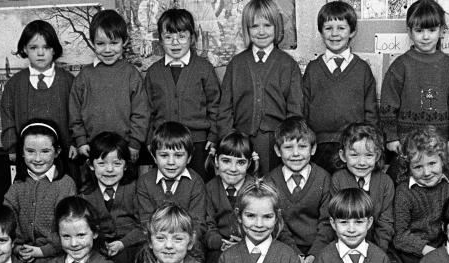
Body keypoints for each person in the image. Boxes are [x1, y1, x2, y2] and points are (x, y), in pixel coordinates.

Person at [380, 0, 449, 184]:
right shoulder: (400, 65)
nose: (426, 37)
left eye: (432, 30)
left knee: (439, 185)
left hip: (441, 145)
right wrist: (391, 136)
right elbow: (388, 103)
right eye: (419, 31)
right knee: (403, 185)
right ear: (410, 32)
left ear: (442, 30)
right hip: (404, 145)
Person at [217, 0, 303, 174]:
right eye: (254, 26)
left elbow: (295, 110)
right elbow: (225, 107)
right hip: (241, 141)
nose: (261, 31)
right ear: (247, 29)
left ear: (276, 27)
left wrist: (287, 142)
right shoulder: (236, 64)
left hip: (277, 142)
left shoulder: (288, 64)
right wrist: (230, 140)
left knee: (271, 189)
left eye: (267, 25)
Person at [144, 8, 221, 179]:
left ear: (192, 38)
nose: (175, 43)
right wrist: (150, 140)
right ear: (160, 40)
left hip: (199, 143)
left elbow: (215, 105)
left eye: (181, 36)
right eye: (168, 37)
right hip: (163, 144)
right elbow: (146, 110)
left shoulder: (204, 68)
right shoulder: (153, 72)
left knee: (199, 184)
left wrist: (214, 135)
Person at [303, 1, 377, 173]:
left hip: (354, 147)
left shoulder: (362, 69)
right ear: (321, 32)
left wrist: (368, 144)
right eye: (328, 28)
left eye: (341, 28)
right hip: (318, 147)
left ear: (352, 31)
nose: (334, 34)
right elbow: (303, 109)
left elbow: (371, 114)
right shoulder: (313, 69)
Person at [70, 9, 149, 165]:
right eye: (100, 44)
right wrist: (80, 140)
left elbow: (141, 112)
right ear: (92, 43)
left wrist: (135, 143)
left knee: (125, 187)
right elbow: (74, 112)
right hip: (92, 149)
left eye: (113, 43)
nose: (107, 50)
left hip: (124, 149)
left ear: (124, 42)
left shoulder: (131, 74)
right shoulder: (84, 76)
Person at [393, 128, 449, 263]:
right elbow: (400, 236)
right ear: (408, 167)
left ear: (442, 160)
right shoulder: (404, 192)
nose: (426, 172)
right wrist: (427, 250)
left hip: (446, 246)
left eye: (432, 163)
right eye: (418, 167)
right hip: (415, 252)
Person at [4, 120, 77, 263]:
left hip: (56, 256)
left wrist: (42, 251)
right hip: (22, 255)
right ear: (22, 153)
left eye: (45, 151)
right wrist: (18, 248)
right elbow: (8, 220)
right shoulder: (18, 185)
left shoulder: (65, 184)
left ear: (57, 152)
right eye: (30, 151)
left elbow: (69, 226)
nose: (37, 159)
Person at [0, 20, 74, 166]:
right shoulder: (14, 84)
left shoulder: (68, 81)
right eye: (33, 47)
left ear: (54, 49)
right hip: (29, 159)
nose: (40, 53)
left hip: (65, 155)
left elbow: (77, 116)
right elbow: (7, 116)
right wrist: (12, 147)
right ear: (24, 49)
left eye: (46, 47)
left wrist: (76, 143)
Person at [267, 117, 332, 263]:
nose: (296, 153)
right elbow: (277, 223)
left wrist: (314, 255)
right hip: (285, 248)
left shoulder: (323, 178)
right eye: (288, 147)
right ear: (277, 150)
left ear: (313, 149)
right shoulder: (271, 181)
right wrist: (295, 255)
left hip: (318, 248)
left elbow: (327, 222)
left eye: (302, 146)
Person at [136, 121, 207, 256]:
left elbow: (198, 224)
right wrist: (162, 245)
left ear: (189, 157)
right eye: (164, 155)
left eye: (178, 155)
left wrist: (181, 244)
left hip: (187, 246)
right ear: (154, 157)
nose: (171, 162)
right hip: (156, 246)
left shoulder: (196, 182)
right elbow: (145, 222)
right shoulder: (145, 182)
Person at [79, 132, 143, 263]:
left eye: (117, 163)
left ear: (126, 165)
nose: (109, 169)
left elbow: (144, 226)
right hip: (98, 249)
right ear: (90, 165)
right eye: (102, 163)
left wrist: (123, 243)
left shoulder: (134, 189)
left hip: (130, 247)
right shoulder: (84, 195)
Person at [330, 123, 394, 254]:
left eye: (369, 155)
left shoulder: (385, 182)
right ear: (343, 156)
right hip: (344, 246)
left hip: (378, 248)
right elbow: (335, 220)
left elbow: (385, 223)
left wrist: (376, 253)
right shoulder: (338, 180)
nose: (362, 162)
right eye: (354, 155)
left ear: (377, 156)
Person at [204, 132, 257, 263]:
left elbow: (264, 224)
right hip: (220, 247)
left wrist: (246, 243)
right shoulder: (210, 189)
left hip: (252, 245)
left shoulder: (256, 188)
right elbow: (209, 225)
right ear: (216, 161)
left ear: (249, 163)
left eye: (240, 162)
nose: (233, 169)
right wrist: (221, 243)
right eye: (226, 161)